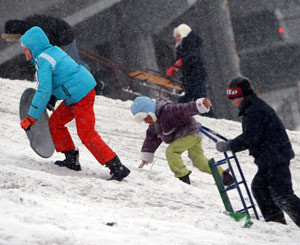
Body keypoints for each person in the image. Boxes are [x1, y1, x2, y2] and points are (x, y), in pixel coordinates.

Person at [19, 26, 130, 181]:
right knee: (56, 123)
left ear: (33, 47)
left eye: (26, 49)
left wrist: (31, 118)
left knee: (86, 133)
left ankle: (116, 166)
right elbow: (63, 75)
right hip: (74, 95)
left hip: (82, 94)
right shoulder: (52, 52)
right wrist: (53, 96)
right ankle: (71, 158)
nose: (24, 52)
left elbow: (43, 90)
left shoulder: (44, 60)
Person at [216, 76, 300, 227]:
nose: (233, 101)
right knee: (260, 187)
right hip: (271, 157)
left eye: (235, 97)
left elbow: (251, 137)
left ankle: (276, 220)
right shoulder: (253, 107)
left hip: (275, 157)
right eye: (230, 97)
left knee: (283, 195)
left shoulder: (255, 110)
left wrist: (230, 145)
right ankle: (276, 222)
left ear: (243, 95)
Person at [130, 96, 233, 185]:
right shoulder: (154, 124)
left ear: (150, 111)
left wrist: (201, 105)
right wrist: (147, 156)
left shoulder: (167, 110)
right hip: (191, 136)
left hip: (190, 133)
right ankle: (223, 175)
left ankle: (182, 176)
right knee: (198, 161)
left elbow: (184, 109)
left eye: (146, 117)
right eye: (143, 120)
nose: (146, 121)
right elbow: (151, 137)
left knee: (172, 151)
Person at [1, 14, 89, 70]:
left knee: (74, 62)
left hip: (64, 37)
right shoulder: (28, 24)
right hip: (59, 32)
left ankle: (89, 75)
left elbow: (48, 47)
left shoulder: (38, 32)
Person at [166, 24, 207, 104]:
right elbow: (181, 59)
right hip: (187, 77)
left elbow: (193, 56)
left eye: (178, 35)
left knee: (199, 99)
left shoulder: (192, 44)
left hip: (196, 76)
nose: (177, 38)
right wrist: (175, 68)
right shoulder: (180, 46)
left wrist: (181, 62)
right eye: (176, 36)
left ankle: (205, 115)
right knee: (184, 99)